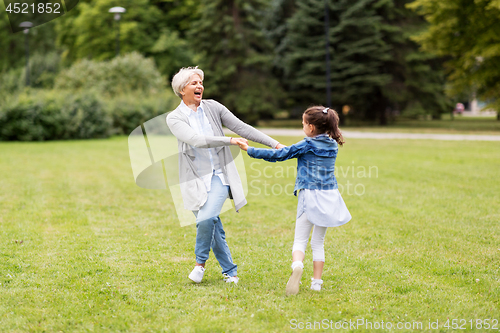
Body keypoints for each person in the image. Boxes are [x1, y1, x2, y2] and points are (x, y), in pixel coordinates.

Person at [166, 67, 285, 285]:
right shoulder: (174, 118)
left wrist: (274, 143)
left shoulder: (213, 107)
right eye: (194, 83)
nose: (200, 86)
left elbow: (242, 127)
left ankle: (199, 265)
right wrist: (229, 141)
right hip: (193, 180)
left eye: (201, 82)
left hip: (218, 175)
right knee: (212, 225)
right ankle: (230, 272)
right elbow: (196, 139)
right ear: (182, 89)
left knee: (206, 218)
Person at [236, 106, 351, 294]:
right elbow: (291, 151)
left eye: (304, 124)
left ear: (311, 127)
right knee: (318, 242)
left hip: (310, 197)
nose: (303, 127)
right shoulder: (332, 145)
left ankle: (297, 265)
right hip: (330, 197)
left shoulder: (306, 144)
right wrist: (290, 150)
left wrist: (250, 149)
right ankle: (316, 283)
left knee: (300, 240)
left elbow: (278, 155)